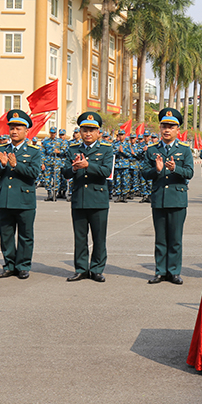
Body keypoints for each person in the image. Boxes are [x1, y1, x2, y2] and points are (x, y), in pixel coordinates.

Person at [142, 108, 194, 284]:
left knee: (175, 238)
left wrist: (175, 169)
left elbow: (189, 172)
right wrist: (156, 170)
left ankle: (174, 272)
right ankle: (160, 271)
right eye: (164, 126)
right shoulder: (151, 150)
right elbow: (144, 173)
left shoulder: (185, 150)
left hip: (177, 199)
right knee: (161, 238)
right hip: (159, 198)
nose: (167, 130)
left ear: (177, 130)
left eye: (171, 126)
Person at [0, 110, 42, 279]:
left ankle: (23, 266)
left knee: (26, 235)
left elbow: (34, 173)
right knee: (6, 235)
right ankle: (9, 265)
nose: (14, 131)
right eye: (11, 127)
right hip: (5, 199)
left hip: (25, 200)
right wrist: (3, 165)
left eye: (18, 128)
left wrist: (16, 164)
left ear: (26, 131)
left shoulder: (34, 151)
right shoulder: (0, 149)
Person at [61, 112, 114, 282]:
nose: (88, 133)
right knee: (80, 237)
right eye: (85, 130)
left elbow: (107, 171)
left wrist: (88, 165)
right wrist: (75, 168)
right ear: (80, 131)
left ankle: (97, 269)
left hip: (98, 200)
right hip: (79, 199)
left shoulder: (106, 149)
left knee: (99, 238)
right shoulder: (73, 149)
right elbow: (65, 172)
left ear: (99, 132)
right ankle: (81, 269)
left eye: (92, 130)